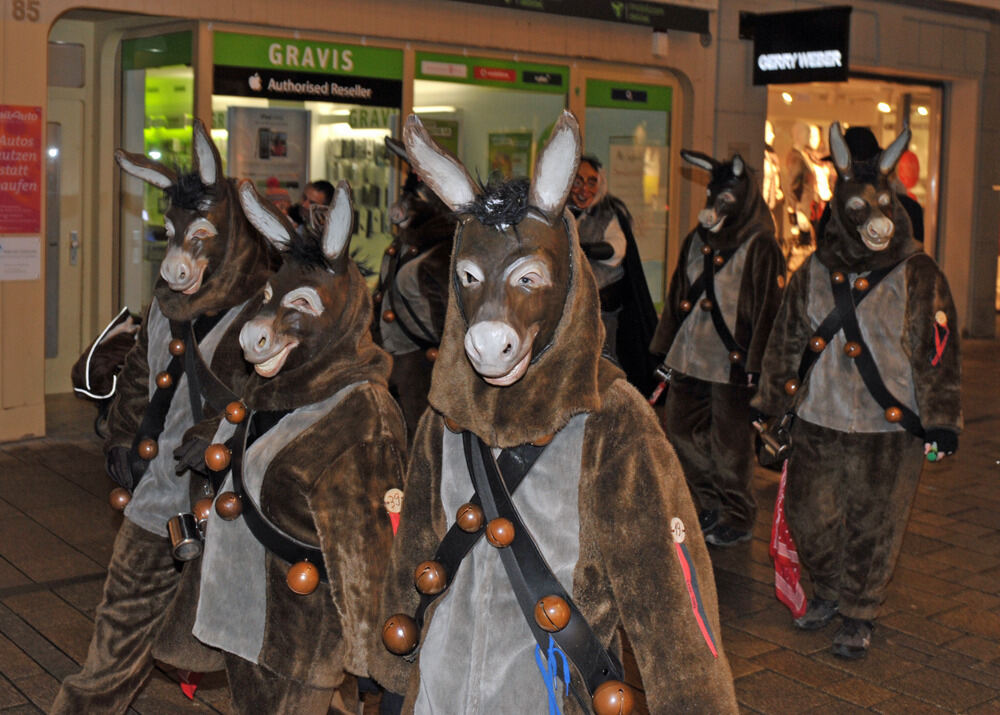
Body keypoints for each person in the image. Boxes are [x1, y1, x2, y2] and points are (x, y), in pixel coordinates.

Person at [753, 122, 961, 659]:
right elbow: (786, 340)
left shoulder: (919, 273)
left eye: (883, 209)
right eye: (861, 212)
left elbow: (936, 353)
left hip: (886, 427)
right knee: (809, 515)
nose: (875, 223)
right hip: (819, 418)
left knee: (875, 522)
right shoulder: (814, 271)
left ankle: (859, 611)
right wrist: (772, 406)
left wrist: (941, 420)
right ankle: (826, 590)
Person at [651, 150, 785, 548]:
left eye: (724, 198)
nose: (714, 206)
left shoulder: (761, 245)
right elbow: (678, 294)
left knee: (731, 446)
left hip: (733, 364)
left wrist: (760, 369)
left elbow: (769, 312)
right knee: (678, 431)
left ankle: (738, 514)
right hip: (690, 357)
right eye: (713, 196)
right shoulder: (696, 239)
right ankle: (705, 503)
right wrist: (663, 349)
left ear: (741, 199)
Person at [569, 154, 659, 395]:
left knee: (604, 362)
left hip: (603, 308)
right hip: (569, 308)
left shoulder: (609, 213)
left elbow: (617, 250)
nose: (584, 189)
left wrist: (585, 248)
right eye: (577, 181)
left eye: (591, 181)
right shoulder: (561, 214)